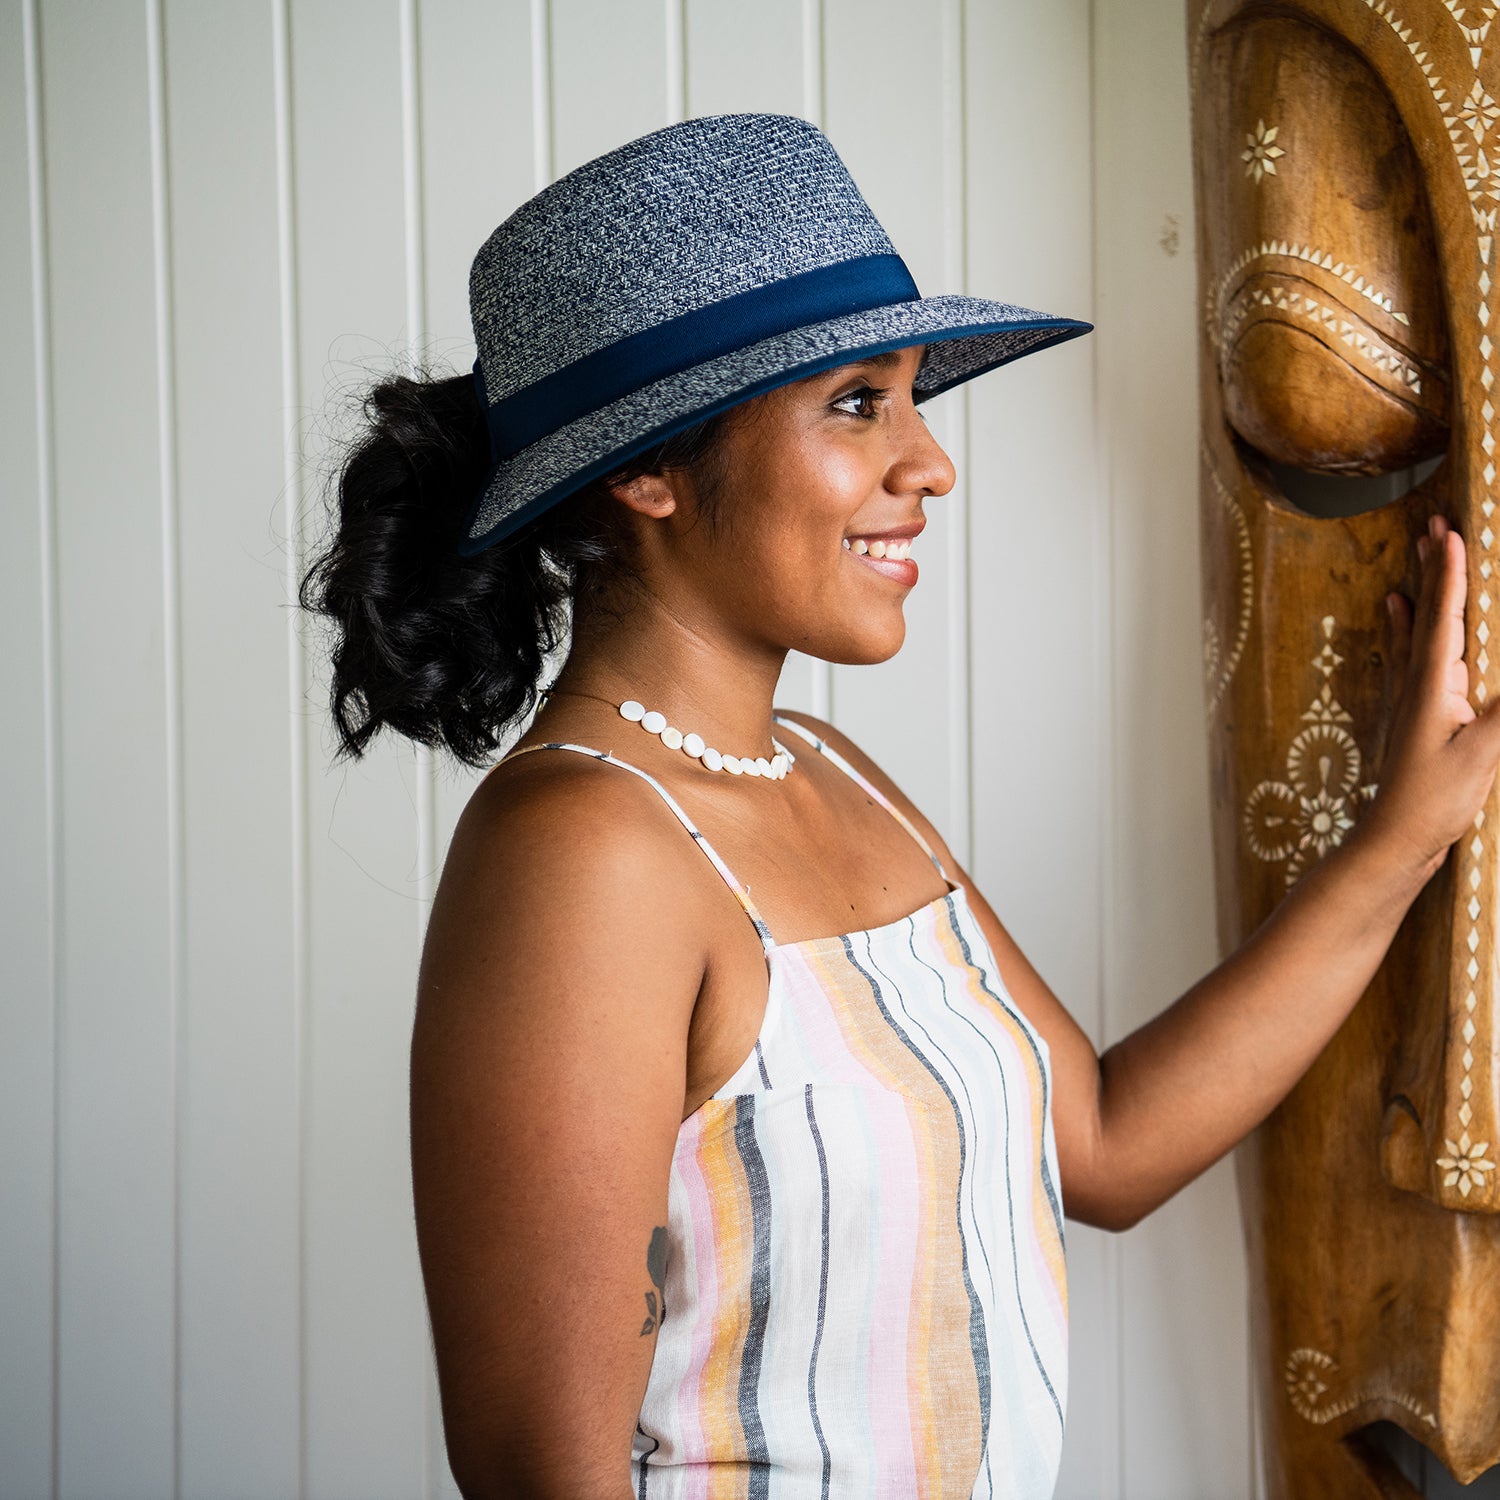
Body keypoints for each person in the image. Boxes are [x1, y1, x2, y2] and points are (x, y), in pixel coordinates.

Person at [298, 113, 1500, 1499]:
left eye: (914, 396)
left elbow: (1103, 1142)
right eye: (858, 402)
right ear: (646, 469)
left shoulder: (831, 772)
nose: (929, 464)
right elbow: (538, 1471)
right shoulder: (582, 852)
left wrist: (1407, 834)